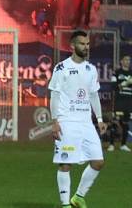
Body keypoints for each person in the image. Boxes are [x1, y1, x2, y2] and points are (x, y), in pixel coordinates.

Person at [48, 30, 106, 208]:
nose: (86, 47)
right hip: (67, 121)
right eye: (82, 44)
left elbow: (94, 95)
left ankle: (78, 197)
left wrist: (100, 119)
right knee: (66, 163)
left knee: (98, 161)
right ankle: (65, 204)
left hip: (86, 123)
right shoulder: (62, 68)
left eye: (88, 44)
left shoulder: (91, 69)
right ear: (72, 46)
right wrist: (55, 120)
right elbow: (54, 95)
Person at [110, 54, 132, 152]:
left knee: (126, 123)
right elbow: (113, 87)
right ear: (121, 61)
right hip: (119, 102)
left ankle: (123, 144)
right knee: (115, 122)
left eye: (129, 60)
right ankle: (111, 144)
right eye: (126, 59)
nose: (128, 61)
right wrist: (125, 83)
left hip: (129, 102)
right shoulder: (116, 72)